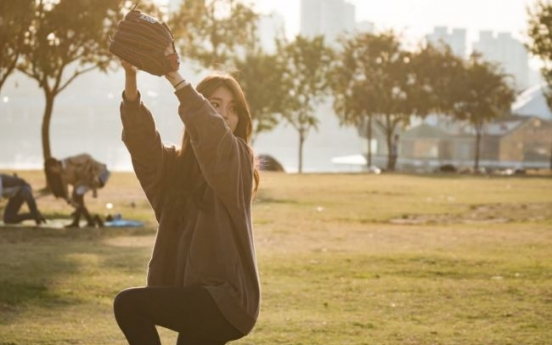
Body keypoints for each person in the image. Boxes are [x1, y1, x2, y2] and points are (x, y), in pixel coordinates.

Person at [113, 50, 261, 345]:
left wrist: (175, 77)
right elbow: (143, 145)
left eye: (232, 108)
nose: (223, 114)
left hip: (226, 299)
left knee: (129, 304)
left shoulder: (237, 161)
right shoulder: (175, 169)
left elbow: (212, 133)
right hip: (196, 295)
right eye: (215, 104)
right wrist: (131, 80)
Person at [44, 154, 110, 228]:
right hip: (88, 181)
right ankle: (86, 221)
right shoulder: (62, 175)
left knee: (77, 193)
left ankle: (87, 221)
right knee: (78, 196)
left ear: (56, 165)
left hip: (101, 174)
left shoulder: (71, 161)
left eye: (52, 170)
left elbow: (87, 157)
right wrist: (69, 200)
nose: (53, 173)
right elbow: (65, 190)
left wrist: (94, 188)